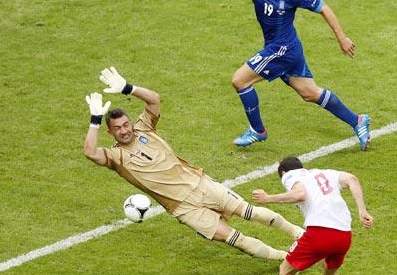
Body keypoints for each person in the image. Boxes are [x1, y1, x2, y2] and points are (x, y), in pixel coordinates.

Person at [83, 66, 304, 261]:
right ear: (110, 132)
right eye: (118, 128)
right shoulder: (116, 157)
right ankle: (288, 259)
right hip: (184, 208)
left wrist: (127, 88)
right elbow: (90, 152)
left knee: (249, 212)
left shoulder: (145, 128)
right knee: (235, 239)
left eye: (125, 124)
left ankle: (299, 234)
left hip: (199, 183)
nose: (124, 130)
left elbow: (153, 99)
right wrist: (95, 119)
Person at [200, 0, 371, 150]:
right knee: (310, 93)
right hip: (286, 49)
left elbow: (323, 7)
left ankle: (258, 131)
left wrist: (342, 38)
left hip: (284, 49)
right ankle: (358, 120)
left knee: (239, 80)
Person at [251, 156, 374, 275]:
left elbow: (300, 194)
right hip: (344, 234)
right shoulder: (324, 173)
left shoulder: (290, 176)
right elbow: (352, 179)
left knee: (285, 270)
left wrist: (268, 198)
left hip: (320, 232)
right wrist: (362, 210)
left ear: (284, 173)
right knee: (330, 270)